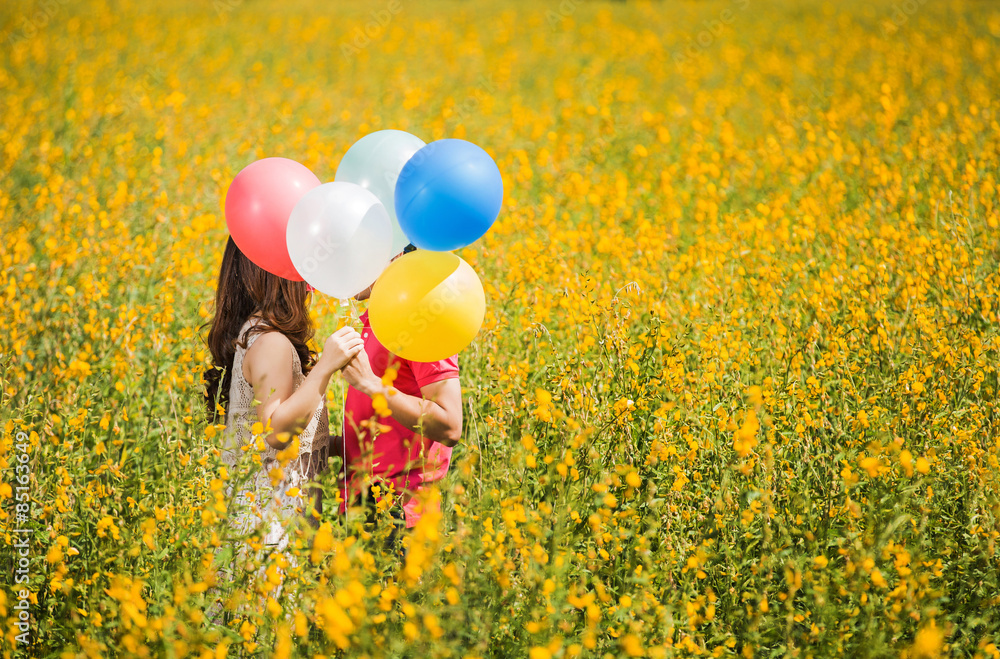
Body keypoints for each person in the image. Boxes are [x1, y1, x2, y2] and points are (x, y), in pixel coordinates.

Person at [202, 236, 361, 619]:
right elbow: (275, 431)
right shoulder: (271, 342)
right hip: (270, 525)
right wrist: (324, 369)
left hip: (272, 517)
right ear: (277, 277)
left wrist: (342, 444)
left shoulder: (258, 333)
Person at [336, 244, 464, 545]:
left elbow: (450, 424)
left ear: (395, 256)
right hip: (359, 499)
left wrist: (370, 384)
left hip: (401, 509)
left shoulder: (421, 320)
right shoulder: (371, 318)